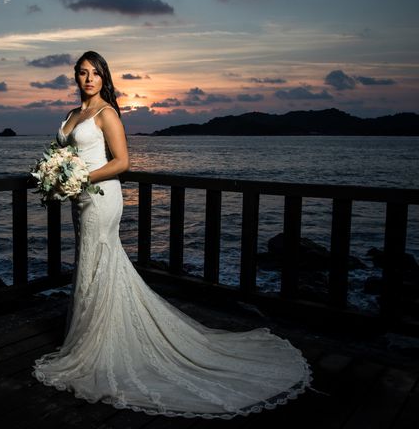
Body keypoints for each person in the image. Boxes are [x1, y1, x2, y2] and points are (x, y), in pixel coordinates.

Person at [31, 50, 313, 419]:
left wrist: (79, 177)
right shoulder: (71, 116)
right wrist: (58, 177)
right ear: (75, 77)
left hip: (101, 199)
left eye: (95, 73)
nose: (88, 79)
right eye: (83, 73)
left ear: (105, 78)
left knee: (100, 260)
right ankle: (89, 336)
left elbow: (122, 162)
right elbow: (65, 154)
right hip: (78, 202)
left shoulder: (107, 113)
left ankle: (101, 344)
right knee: (90, 263)